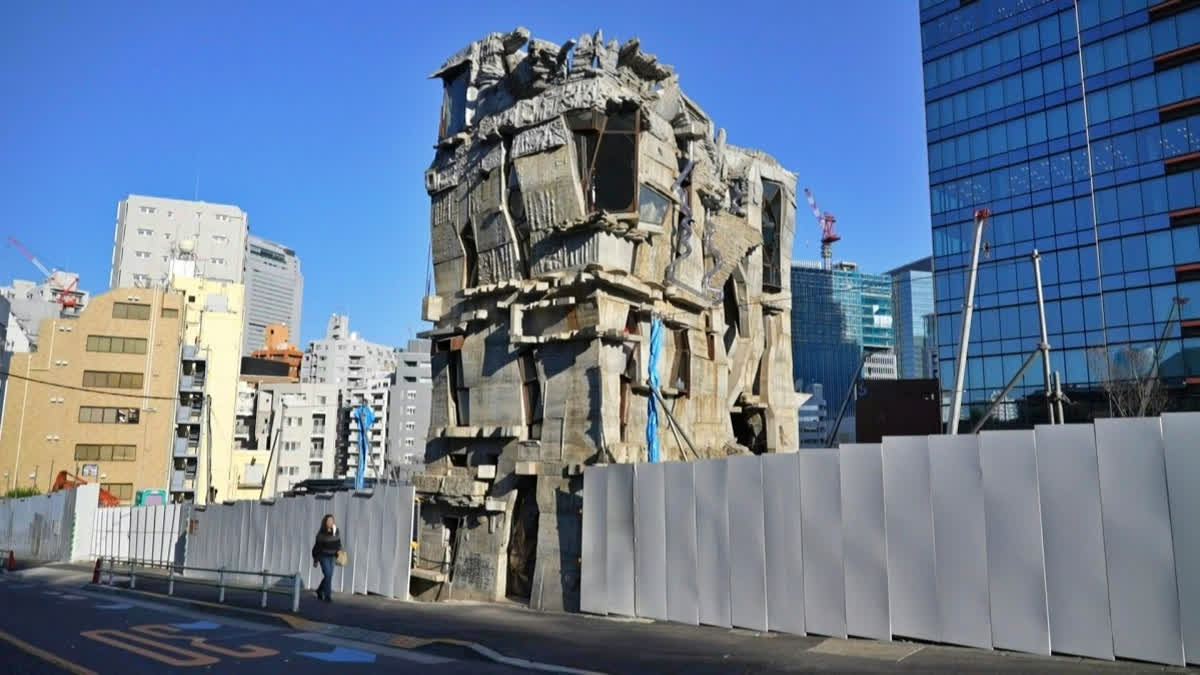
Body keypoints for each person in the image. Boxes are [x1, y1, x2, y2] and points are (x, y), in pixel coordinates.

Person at [311, 514, 342, 603]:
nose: (331, 522)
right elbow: (317, 548)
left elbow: (338, 543)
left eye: (332, 520)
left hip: (332, 556)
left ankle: (320, 590)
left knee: (329, 576)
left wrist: (339, 551)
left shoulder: (336, 531)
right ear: (325, 522)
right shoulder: (321, 534)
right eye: (329, 521)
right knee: (328, 575)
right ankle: (328, 596)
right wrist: (315, 560)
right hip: (323, 557)